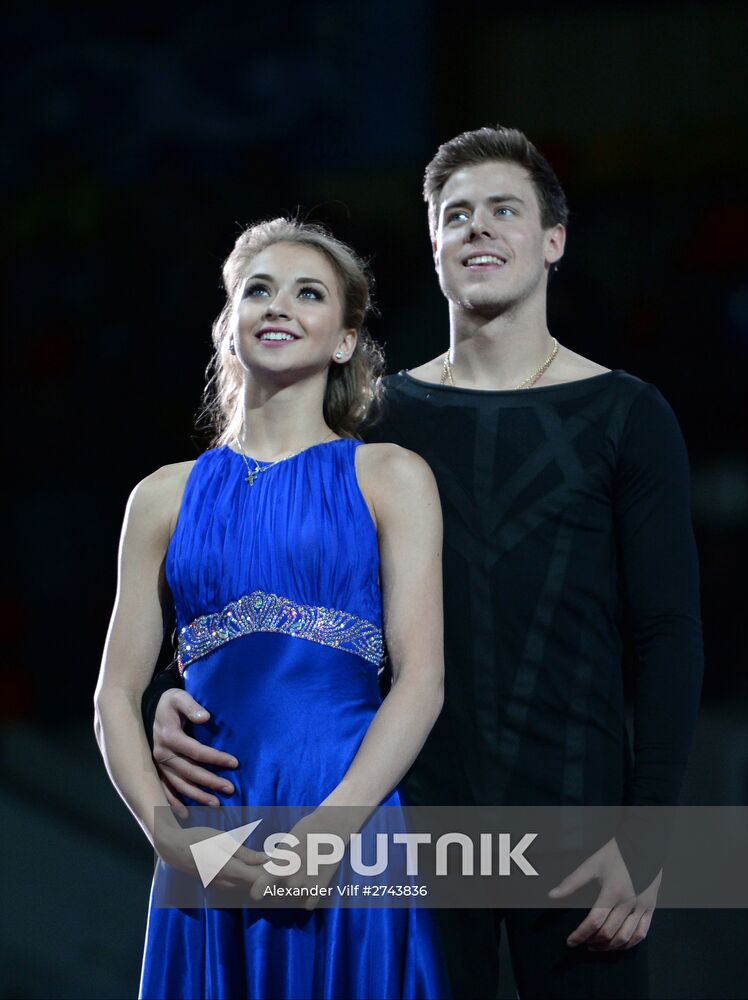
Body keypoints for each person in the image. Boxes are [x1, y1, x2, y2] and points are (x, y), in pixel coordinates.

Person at [143, 128, 705, 999]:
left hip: (576, 819)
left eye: (503, 210)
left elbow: (668, 634)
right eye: (455, 215)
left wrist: (650, 830)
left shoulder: (627, 414)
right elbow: (272, 581)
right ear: (434, 248)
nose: (478, 229)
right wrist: (183, 696)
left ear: (552, 240)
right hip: (410, 826)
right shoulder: (372, 431)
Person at [93, 218, 451, 1000]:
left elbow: (421, 681)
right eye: (258, 289)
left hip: (344, 814)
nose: (278, 306)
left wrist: (329, 834)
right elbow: (114, 696)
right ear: (228, 325)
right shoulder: (162, 496)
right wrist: (176, 844)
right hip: (209, 823)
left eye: (308, 293)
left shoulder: (389, 476)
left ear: (345, 339)